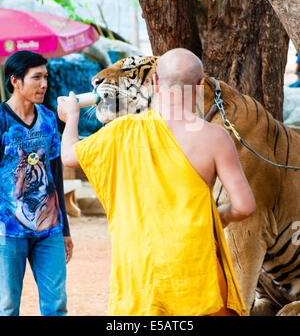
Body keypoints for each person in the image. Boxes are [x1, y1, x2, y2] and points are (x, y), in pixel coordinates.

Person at [57, 48, 255, 316]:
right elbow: (244, 206)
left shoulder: (120, 132)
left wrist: (71, 119)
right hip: (196, 272)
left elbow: (68, 156)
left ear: (157, 83)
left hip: (140, 271)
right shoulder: (215, 137)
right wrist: (216, 218)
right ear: (199, 86)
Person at [0, 51, 73, 316]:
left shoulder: (49, 118)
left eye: (46, 77)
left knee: (56, 306)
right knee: (7, 307)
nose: (44, 84)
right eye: (36, 77)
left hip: (49, 230)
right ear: (15, 81)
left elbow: (55, 174)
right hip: (8, 233)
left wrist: (65, 228)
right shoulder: (1, 120)